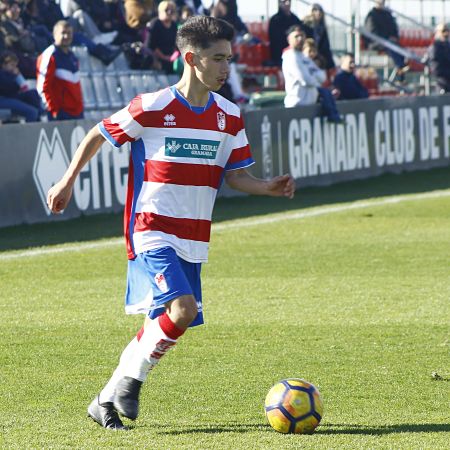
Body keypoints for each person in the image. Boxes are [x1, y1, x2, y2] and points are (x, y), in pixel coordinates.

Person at [46, 15, 295, 431]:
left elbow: (236, 176)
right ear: (191, 58)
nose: (226, 68)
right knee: (182, 310)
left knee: (159, 322)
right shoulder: (154, 105)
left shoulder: (229, 115)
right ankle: (131, 382)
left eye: (229, 59)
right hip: (151, 229)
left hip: (194, 236)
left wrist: (268, 187)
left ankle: (105, 399)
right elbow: (98, 133)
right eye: (217, 59)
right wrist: (67, 179)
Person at [282, 25, 342, 122]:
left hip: (310, 105)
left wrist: (312, 76)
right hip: (296, 106)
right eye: (296, 36)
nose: (300, 39)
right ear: (289, 39)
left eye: (302, 36)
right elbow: (305, 80)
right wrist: (314, 78)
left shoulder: (304, 57)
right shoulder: (290, 57)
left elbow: (322, 76)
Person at [36, 20, 83, 120]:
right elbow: (43, 88)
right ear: (54, 35)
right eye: (63, 33)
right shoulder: (49, 56)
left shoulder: (73, 57)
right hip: (60, 114)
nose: (66, 36)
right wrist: (53, 110)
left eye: (69, 33)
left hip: (77, 113)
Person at [363, 0, 409, 80]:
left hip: (389, 42)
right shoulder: (371, 15)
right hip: (376, 42)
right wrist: (387, 38)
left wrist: (393, 37)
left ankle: (401, 69)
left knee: (398, 48)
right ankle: (401, 68)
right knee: (392, 46)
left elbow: (394, 29)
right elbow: (372, 33)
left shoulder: (388, 14)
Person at [0, 50, 42, 121]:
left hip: (12, 97)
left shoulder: (13, 74)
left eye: (15, 65)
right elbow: (8, 86)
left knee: (33, 94)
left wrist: (18, 76)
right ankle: (31, 131)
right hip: (3, 99)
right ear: (3, 65)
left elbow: (24, 88)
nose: (14, 68)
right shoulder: (3, 74)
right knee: (32, 112)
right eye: (12, 65)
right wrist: (15, 76)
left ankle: (41, 114)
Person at [268, 0, 312, 67]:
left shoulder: (295, 19)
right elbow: (275, 41)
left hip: (297, 54)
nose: (287, 3)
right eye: (284, 1)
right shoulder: (274, 20)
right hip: (280, 56)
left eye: (289, 1)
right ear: (280, 3)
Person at [147, 0, 178, 74]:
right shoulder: (154, 23)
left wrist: (173, 56)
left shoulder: (174, 25)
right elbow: (151, 45)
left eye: (172, 10)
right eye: (167, 10)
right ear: (160, 11)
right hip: (156, 60)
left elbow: (177, 44)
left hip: (171, 60)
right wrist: (164, 57)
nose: (169, 12)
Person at [302, 3, 335, 71]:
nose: (318, 12)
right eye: (315, 10)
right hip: (307, 56)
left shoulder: (322, 28)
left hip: (319, 58)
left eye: (320, 10)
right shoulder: (304, 26)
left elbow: (326, 47)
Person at [428, 23, 450, 94]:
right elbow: (436, 68)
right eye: (443, 31)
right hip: (443, 81)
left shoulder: (448, 45)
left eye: (447, 31)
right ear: (437, 33)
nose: (446, 33)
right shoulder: (435, 47)